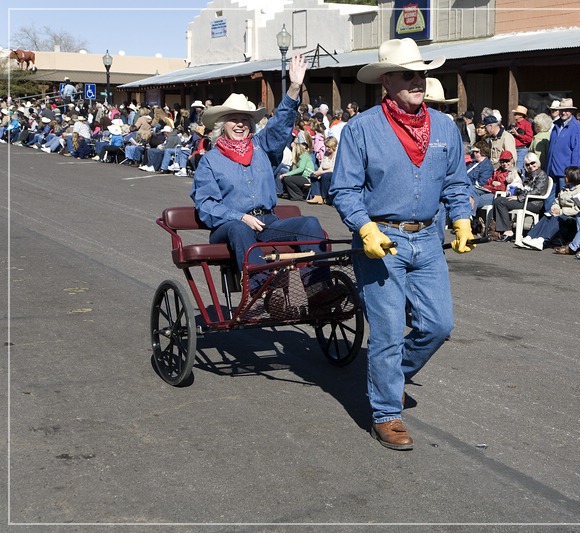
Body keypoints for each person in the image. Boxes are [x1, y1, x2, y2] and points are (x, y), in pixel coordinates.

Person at [329, 38, 475, 451]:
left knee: (438, 325)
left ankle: (388, 373)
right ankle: (386, 413)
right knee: (389, 331)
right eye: (408, 75)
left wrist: (461, 217)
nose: (418, 81)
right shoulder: (362, 128)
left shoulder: (445, 127)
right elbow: (343, 189)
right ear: (386, 81)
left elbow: (455, 181)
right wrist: (364, 227)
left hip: (428, 237)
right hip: (382, 238)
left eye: (422, 74)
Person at [191, 54, 336, 311]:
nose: (240, 124)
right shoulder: (210, 161)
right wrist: (239, 216)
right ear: (222, 125)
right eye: (234, 119)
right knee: (240, 228)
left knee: (310, 223)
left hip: (267, 222)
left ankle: (318, 289)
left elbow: (279, 127)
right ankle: (265, 291)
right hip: (229, 227)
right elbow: (205, 204)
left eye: (245, 119)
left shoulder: (260, 147)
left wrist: (293, 88)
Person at [517, 166, 580, 250]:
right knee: (547, 215)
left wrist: (561, 211)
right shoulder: (565, 188)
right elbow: (557, 201)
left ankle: (541, 240)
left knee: (556, 218)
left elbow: (578, 209)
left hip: (571, 216)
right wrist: (555, 208)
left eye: (566, 176)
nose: (564, 177)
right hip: (560, 212)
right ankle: (530, 237)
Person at [490, 152, 549, 242]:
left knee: (500, 202)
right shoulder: (529, 175)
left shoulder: (542, 175)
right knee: (498, 200)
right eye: (527, 164)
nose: (531, 166)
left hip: (533, 203)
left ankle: (507, 231)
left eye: (533, 163)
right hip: (525, 200)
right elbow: (525, 189)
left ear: (537, 162)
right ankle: (501, 231)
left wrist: (519, 197)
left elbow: (537, 191)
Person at [546, 97, 580, 197]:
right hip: (551, 170)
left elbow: (578, 152)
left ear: (572, 111)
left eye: (567, 110)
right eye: (562, 110)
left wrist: (573, 173)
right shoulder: (556, 125)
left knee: (564, 199)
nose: (564, 113)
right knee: (548, 201)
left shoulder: (576, 127)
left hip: (565, 173)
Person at [280, 130, 316, 200]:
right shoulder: (300, 156)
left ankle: (298, 195)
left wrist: (286, 174)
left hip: (307, 178)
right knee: (286, 176)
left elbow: (301, 169)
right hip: (302, 176)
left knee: (287, 179)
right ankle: (292, 194)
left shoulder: (304, 156)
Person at [508, 105, 533, 173]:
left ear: (521, 115)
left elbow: (529, 139)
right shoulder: (514, 124)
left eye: (516, 114)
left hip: (522, 149)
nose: (514, 115)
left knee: (519, 169)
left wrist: (517, 135)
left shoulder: (527, 124)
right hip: (514, 149)